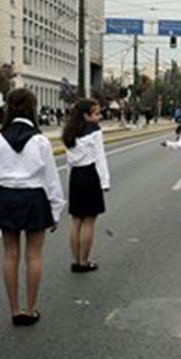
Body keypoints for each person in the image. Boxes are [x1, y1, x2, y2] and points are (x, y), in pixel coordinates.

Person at [0, 88, 65, 327]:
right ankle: (31, 309)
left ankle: (14, 309)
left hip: (7, 196)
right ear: (32, 108)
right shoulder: (40, 140)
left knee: (10, 255)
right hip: (33, 197)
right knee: (34, 256)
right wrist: (56, 209)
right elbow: (50, 178)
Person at [64, 98, 110, 273]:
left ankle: (75, 260)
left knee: (76, 219)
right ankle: (84, 261)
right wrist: (105, 181)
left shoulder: (69, 132)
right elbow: (100, 157)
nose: (100, 116)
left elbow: (69, 162)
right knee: (89, 220)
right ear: (86, 115)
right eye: (96, 113)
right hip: (90, 174)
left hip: (75, 176)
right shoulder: (95, 132)